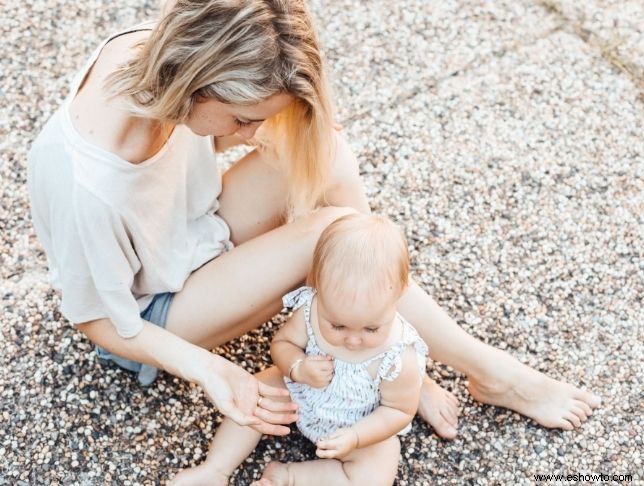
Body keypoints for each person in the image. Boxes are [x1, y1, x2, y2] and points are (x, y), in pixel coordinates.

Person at [27, 0, 600, 457]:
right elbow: (97, 320)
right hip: (153, 314)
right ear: (195, 86)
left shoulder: (158, 51)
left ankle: (385, 348)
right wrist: (214, 371)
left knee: (325, 149)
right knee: (333, 232)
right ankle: (485, 371)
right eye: (244, 119)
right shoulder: (86, 181)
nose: (251, 135)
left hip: (193, 234)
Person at [172, 214, 429, 486]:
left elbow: (398, 412)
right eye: (338, 326)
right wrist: (296, 367)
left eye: (371, 329)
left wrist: (355, 436)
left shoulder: (398, 358)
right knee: (257, 388)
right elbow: (283, 344)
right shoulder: (311, 310)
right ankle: (215, 469)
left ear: (399, 294)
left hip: (359, 425)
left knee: (377, 469)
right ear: (317, 287)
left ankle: (290, 477)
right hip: (299, 396)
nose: (353, 341)